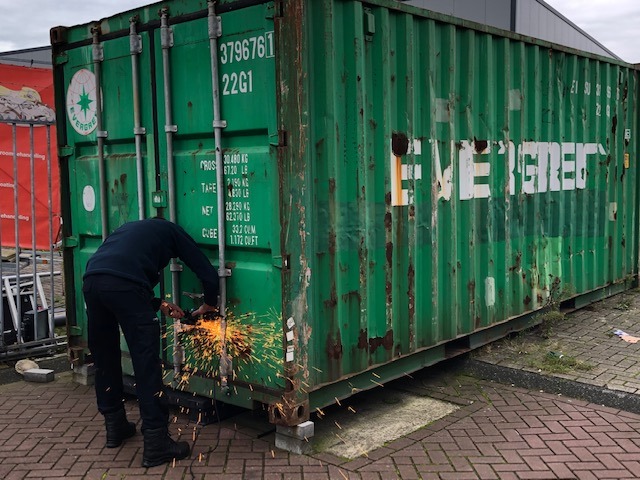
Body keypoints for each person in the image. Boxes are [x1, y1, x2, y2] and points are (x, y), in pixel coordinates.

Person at [82, 217, 219, 467]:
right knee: (146, 365)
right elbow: (205, 271)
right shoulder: (172, 231)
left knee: (105, 357)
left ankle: (115, 426)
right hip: (124, 286)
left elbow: (121, 276)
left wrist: (159, 304)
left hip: (93, 281)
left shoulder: (129, 229)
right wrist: (210, 303)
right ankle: (157, 443)